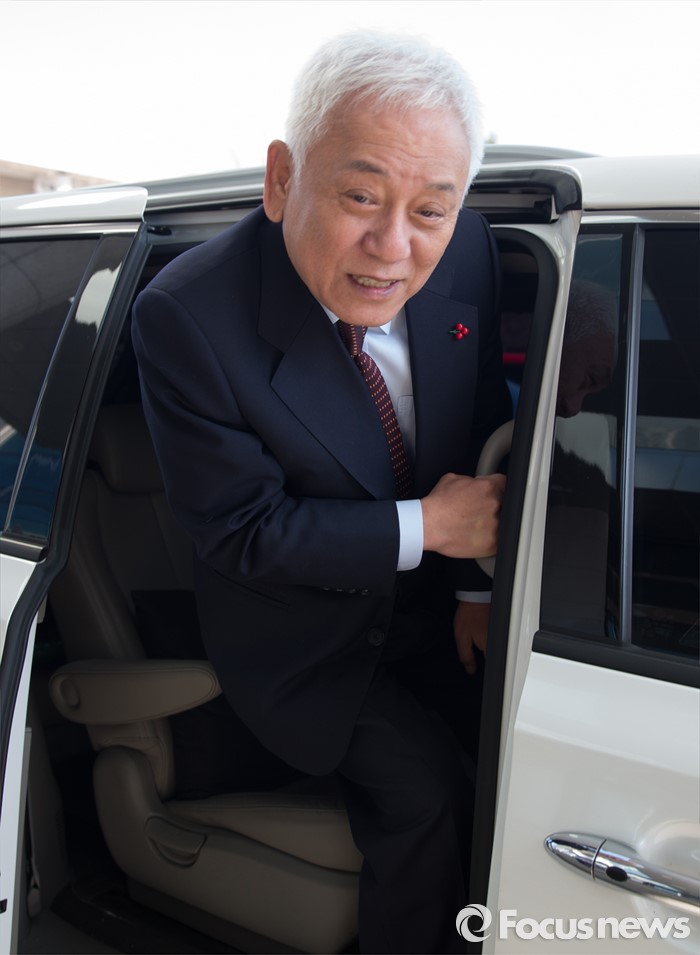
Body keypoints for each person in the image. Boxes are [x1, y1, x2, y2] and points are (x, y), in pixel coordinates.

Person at [132, 30, 512, 954]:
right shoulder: (189, 316)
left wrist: (472, 587)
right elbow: (244, 531)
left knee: (518, 758)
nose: (393, 248)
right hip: (310, 642)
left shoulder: (467, 250)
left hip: (438, 604)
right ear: (281, 179)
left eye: (431, 209)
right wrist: (433, 527)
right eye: (360, 197)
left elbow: (477, 423)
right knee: (429, 799)